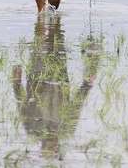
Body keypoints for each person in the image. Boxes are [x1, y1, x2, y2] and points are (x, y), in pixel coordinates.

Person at [12, 15, 98, 157]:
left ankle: (50, 16)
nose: (51, 145)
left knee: (42, 40)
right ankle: (52, 17)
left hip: (39, 79)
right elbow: (76, 106)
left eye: (48, 148)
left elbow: (22, 107)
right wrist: (86, 85)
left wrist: (16, 83)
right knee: (56, 40)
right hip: (57, 79)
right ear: (57, 149)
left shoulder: (32, 131)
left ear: (42, 147)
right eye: (53, 149)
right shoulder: (66, 130)